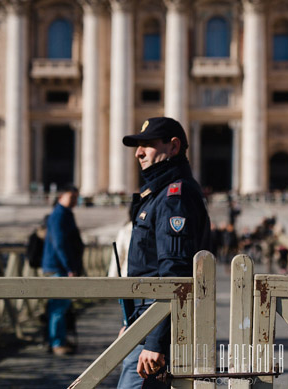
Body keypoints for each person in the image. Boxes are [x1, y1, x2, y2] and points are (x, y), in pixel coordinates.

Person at [118, 117, 213, 388]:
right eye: (138, 146)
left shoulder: (175, 197)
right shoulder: (159, 194)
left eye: (147, 144)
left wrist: (155, 341)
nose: (138, 152)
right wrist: (133, 324)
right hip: (148, 323)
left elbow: (175, 275)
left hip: (158, 327)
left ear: (173, 147)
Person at [42, 186, 82, 355]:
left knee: (58, 306)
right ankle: (57, 343)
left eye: (76, 197)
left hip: (58, 265)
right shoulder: (59, 215)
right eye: (71, 197)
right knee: (59, 306)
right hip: (58, 267)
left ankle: (57, 340)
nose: (74, 201)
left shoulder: (64, 214)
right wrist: (69, 267)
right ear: (60, 197)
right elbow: (60, 244)